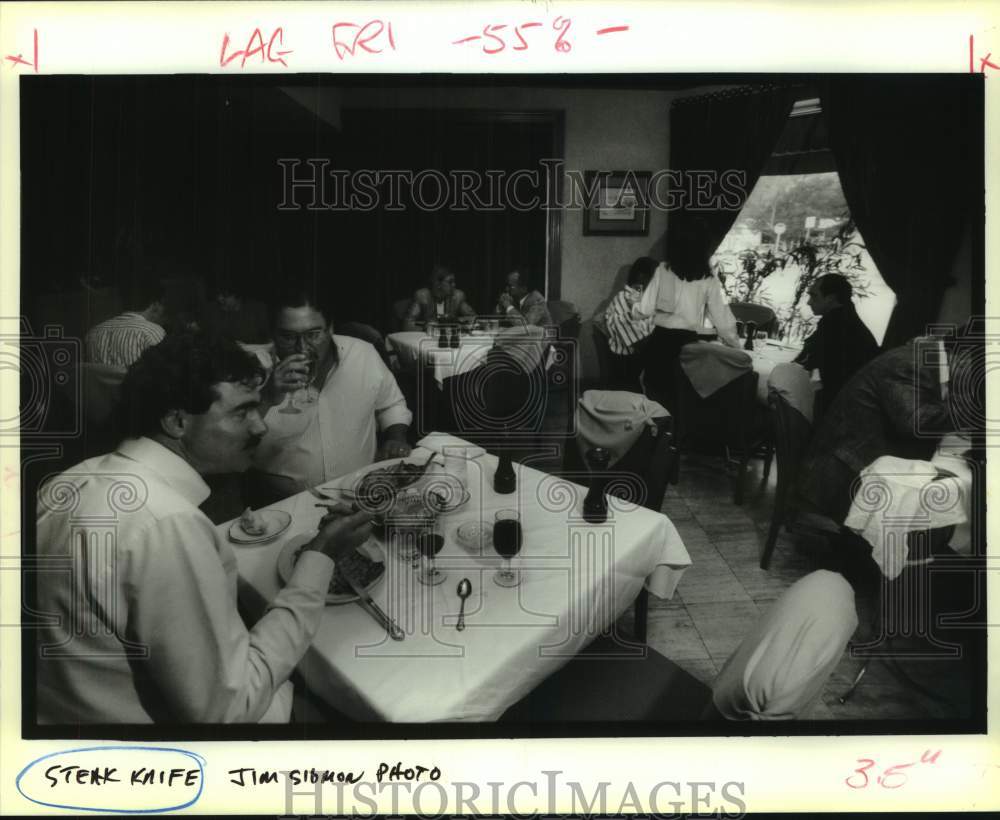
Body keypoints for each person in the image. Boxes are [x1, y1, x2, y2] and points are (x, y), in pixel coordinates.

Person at [34, 333, 373, 723]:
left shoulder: (70, 481)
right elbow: (229, 710)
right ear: (178, 421)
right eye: (242, 412)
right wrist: (322, 554)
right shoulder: (167, 525)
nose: (261, 426)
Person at [797, 326, 977, 522]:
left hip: (859, 459)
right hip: (842, 475)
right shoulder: (911, 363)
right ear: (966, 356)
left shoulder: (928, 359)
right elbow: (917, 422)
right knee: (942, 499)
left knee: (942, 490)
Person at [250, 288, 413, 499]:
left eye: (313, 335)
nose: (302, 348)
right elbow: (230, 451)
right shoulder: (253, 372)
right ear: (272, 334)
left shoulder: (363, 354)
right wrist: (266, 397)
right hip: (284, 504)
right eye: (288, 337)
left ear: (330, 328)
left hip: (360, 493)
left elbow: (392, 405)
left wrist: (396, 436)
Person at [636, 225, 740, 410]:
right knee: (683, 401)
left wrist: (635, 310)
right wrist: (736, 346)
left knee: (656, 401)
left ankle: (658, 436)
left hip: (660, 342)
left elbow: (644, 309)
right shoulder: (709, 280)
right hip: (687, 348)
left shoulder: (662, 270)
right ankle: (678, 436)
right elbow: (723, 322)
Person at [794, 274, 880, 415]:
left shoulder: (834, 323)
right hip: (859, 401)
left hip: (842, 407)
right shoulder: (847, 317)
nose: (809, 302)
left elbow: (805, 361)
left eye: (814, 296)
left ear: (831, 298)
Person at [84, 278, 168, 367]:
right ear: (155, 304)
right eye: (164, 304)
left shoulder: (92, 334)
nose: (164, 311)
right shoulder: (153, 332)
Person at [602, 256, 657, 391]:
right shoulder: (624, 298)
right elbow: (638, 343)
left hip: (642, 359)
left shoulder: (648, 300)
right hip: (628, 366)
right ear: (641, 277)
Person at [203, 286, 271, 344]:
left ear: (237, 297)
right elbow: (215, 340)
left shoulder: (256, 309)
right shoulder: (219, 312)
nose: (220, 299)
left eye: (225, 295)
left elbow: (265, 337)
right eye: (218, 295)